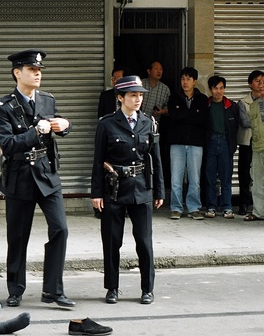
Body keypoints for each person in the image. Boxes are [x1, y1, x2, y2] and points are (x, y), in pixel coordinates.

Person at [0, 49, 75, 308]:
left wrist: (65, 126)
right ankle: (15, 289)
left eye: (39, 70)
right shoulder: (4, 107)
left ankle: (53, 290)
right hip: (19, 176)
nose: (37, 74)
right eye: (32, 70)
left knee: (60, 229)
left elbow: (58, 124)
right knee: (18, 236)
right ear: (17, 73)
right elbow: (7, 144)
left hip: (47, 174)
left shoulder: (47, 100)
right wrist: (35, 132)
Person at [91, 76, 164, 305]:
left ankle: (147, 288)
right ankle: (112, 288)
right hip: (114, 188)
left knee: (144, 241)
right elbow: (98, 160)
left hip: (141, 188)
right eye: (133, 95)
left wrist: (159, 190)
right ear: (120, 98)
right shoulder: (107, 124)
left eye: (140, 95)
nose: (138, 99)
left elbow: (156, 159)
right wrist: (96, 193)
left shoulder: (148, 122)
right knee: (112, 241)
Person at [203, 75, 249, 219]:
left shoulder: (232, 106)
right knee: (210, 177)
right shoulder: (206, 105)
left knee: (226, 177)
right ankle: (211, 206)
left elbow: (236, 127)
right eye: (215, 88)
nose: (219, 91)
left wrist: (232, 145)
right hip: (210, 142)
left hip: (225, 143)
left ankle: (227, 207)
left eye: (221, 88)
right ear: (210, 89)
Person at [166, 67, 209, 220]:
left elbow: (202, 118)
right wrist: (193, 113)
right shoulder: (174, 97)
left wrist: (183, 114)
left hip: (196, 143)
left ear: (194, 81)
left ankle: (193, 208)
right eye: (183, 79)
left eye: (188, 79)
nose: (185, 82)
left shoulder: (202, 99)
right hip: (177, 142)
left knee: (195, 178)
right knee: (176, 178)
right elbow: (174, 116)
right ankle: (176, 208)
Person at [236, 70, 264, 216]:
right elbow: (245, 122)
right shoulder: (243, 102)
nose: (260, 84)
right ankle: (244, 203)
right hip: (247, 142)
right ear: (249, 84)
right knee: (245, 174)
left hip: (262, 143)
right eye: (257, 81)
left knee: (261, 175)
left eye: (262, 82)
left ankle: (260, 206)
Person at [245, 73, 264, 222]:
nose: (261, 85)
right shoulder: (253, 106)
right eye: (259, 83)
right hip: (258, 148)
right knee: (258, 182)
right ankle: (259, 212)